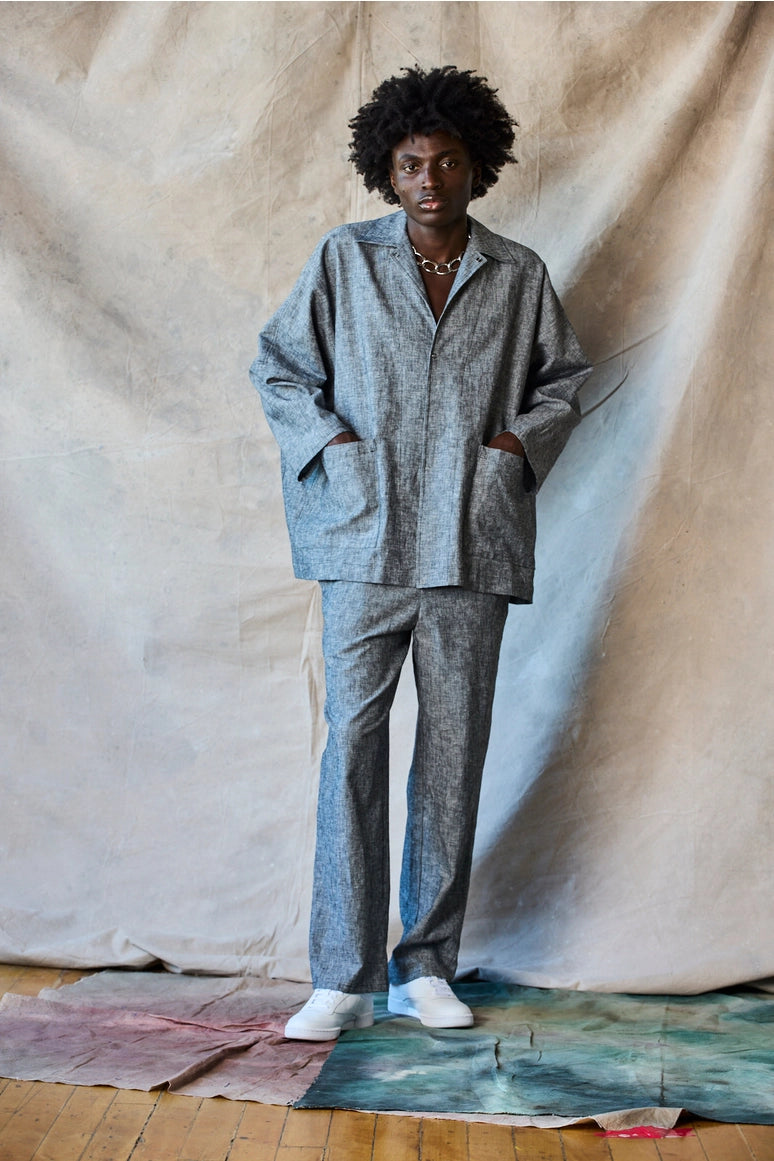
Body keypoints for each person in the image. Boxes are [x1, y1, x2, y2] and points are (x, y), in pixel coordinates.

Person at [250, 65, 592, 1041]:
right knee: (351, 747)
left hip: (471, 546)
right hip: (363, 542)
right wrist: (334, 448)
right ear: (386, 171)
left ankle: (425, 966)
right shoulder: (342, 262)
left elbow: (565, 379)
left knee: (450, 753)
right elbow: (279, 368)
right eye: (411, 163)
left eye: (446, 161)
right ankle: (341, 978)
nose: (429, 178)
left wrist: (516, 447)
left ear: (477, 168)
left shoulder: (517, 275)